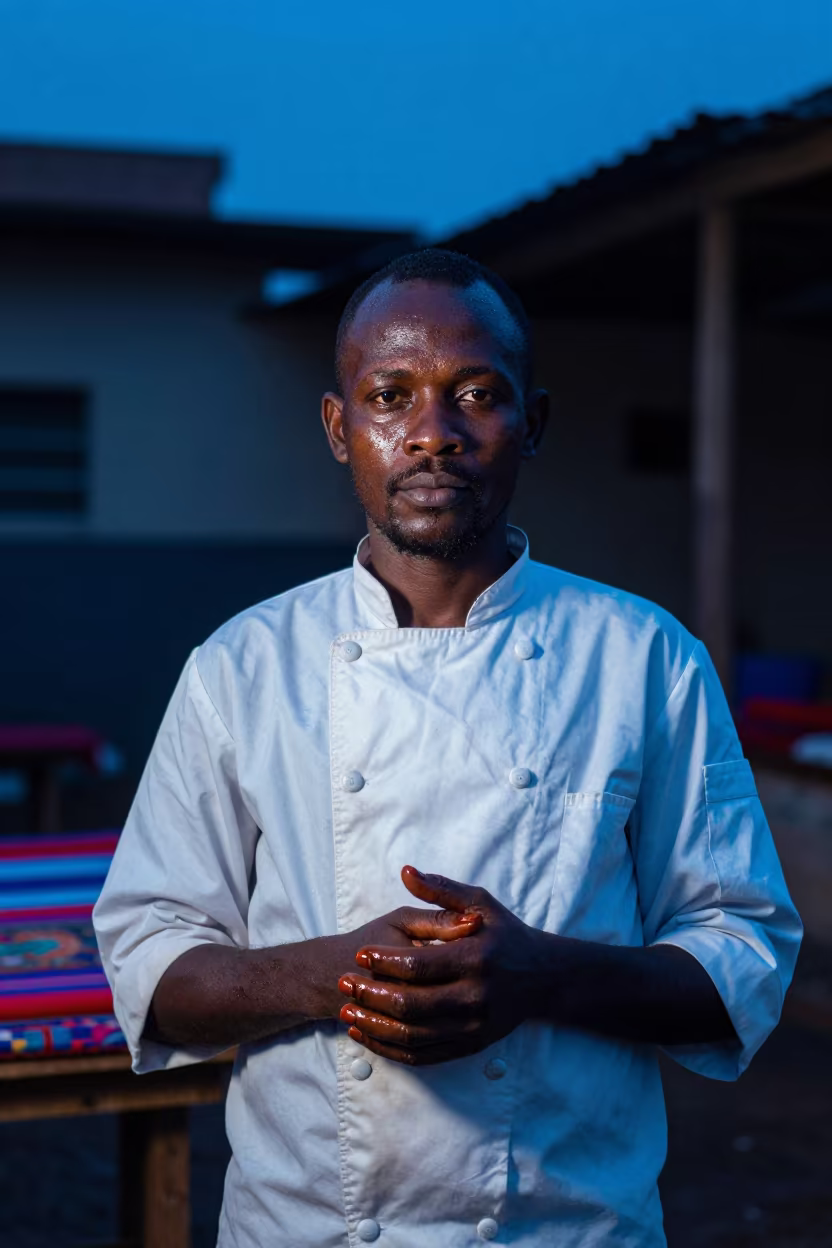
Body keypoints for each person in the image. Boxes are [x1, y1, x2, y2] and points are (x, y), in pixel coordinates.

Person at [93, 248, 801, 1248]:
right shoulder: (243, 667)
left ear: (532, 423)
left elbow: (742, 956)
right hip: (306, 1228)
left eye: (477, 394)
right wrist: (333, 974)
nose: (433, 433)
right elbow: (150, 959)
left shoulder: (642, 659)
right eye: (390, 396)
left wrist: (540, 975)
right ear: (339, 428)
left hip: (570, 1231)